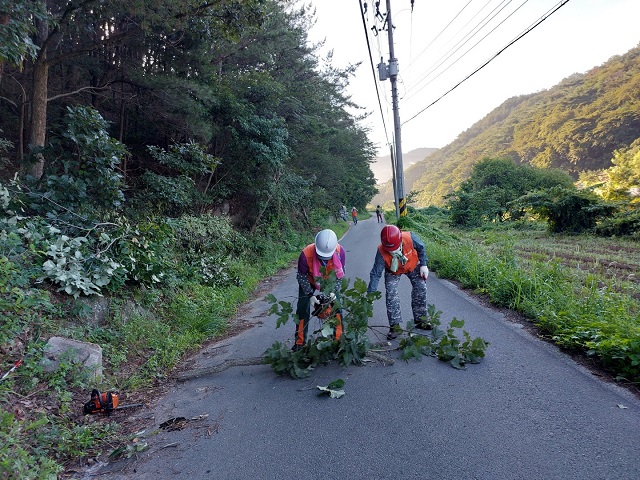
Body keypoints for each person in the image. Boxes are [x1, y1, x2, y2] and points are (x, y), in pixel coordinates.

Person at [366, 225, 430, 340]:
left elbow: (421, 247)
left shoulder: (410, 238)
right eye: (389, 249)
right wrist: (371, 295)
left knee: (421, 287)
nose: (392, 251)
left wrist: (424, 264)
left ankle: (421, 320)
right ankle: (394, 326)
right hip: (393, 270)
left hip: (412, 265)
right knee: (391, 293)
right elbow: (375, 274)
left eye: (394, 248)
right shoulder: (381, 252)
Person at [293, 229, 346, 350]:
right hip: (310, 280)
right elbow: (301, 277)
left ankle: (338, 339)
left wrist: (334, 291)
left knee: (336, 306)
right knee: (302, 307)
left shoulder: (340, 252)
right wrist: (310, 295)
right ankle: (300, 342)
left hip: (331, 281)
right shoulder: (305, 255)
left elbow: (340, 275)